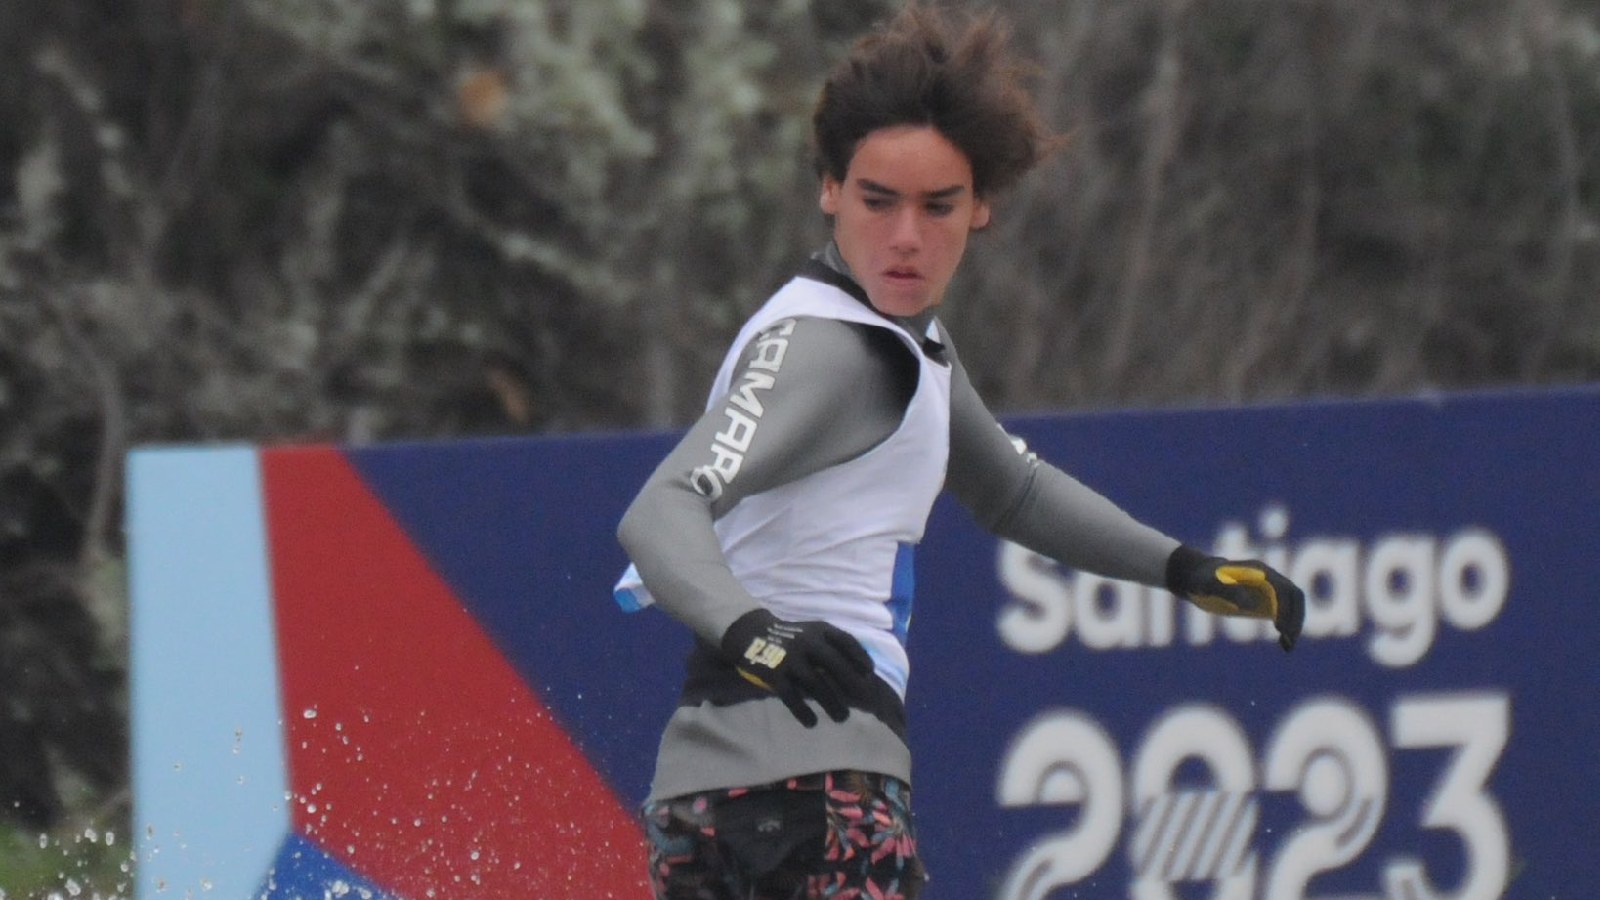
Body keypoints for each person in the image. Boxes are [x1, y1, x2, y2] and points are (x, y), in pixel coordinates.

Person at [613, 4, 1306, 898]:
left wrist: (1182, 568)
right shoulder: (841, 351)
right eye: (876, 200)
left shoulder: (900, 343)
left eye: (937, 206)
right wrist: (760, 634)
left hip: (717, 807)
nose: (906, 236)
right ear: (828, 188)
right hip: (812, 799)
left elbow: (1010, 491)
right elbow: (658, 509)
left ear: (981, 207)